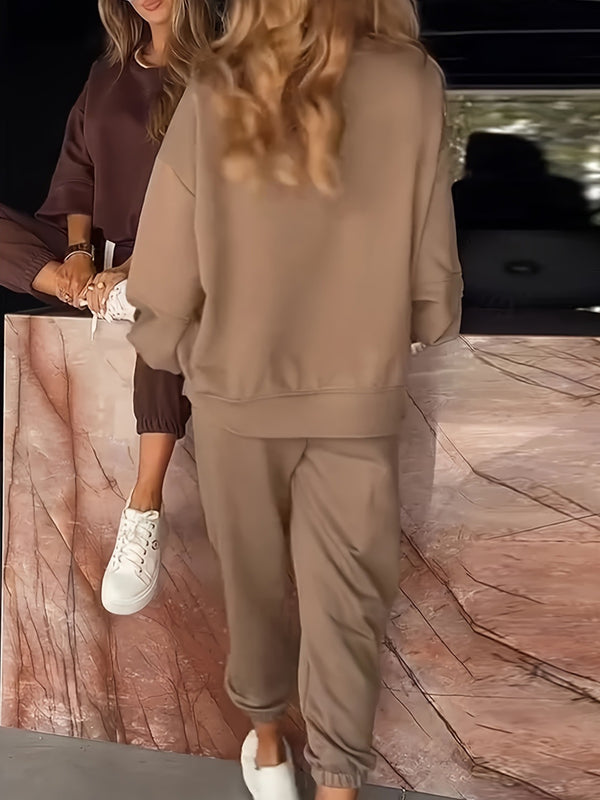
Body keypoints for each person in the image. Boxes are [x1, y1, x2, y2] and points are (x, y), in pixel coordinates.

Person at [128, 0, 462, 798]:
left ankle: (269, 741)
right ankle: (339, 783)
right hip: (357, 396)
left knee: (253, 585)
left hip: (238, 392)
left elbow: (167, 256)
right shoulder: (414, 79)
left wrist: (173, 342)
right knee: (350, 602)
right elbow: (431, 245)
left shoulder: (216, 83)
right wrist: (421, 318)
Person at [0, 0, 212, 616]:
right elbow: (78, 170)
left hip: (187, 258)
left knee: (166, 312)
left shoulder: (225, 74)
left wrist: (141, 269)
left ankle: (143, 507)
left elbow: (214, 195)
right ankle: (100, 296)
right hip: (101, 260)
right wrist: (77, 257)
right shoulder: (107, 74)